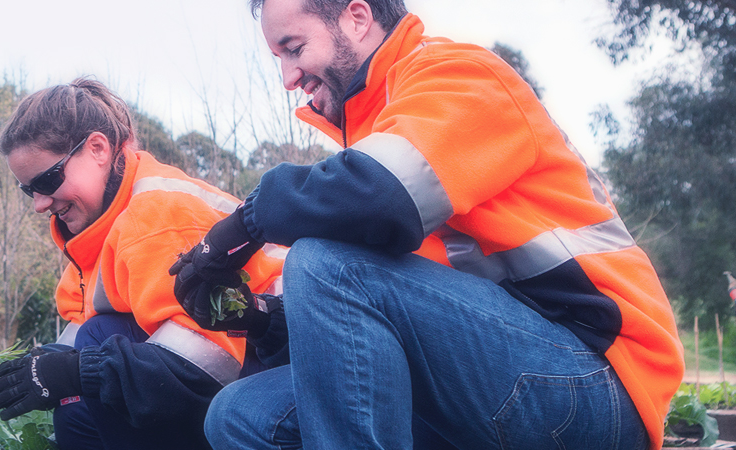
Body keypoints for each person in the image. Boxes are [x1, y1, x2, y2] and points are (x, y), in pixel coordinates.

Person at [174, 0, 683, 448]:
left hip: (595, 379)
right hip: (506, 370)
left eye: (294, 47)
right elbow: (396, 319)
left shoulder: (458, 75)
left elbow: (382, 196)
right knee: (241, 415)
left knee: (327, 264)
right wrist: (264, 317)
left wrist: (243, 224)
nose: (288, 77)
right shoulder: (382, 130)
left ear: (356, 18)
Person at [0, 78, 287, 450]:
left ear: (97, 149)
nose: (39, 204)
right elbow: (68, 348)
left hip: (286, 364)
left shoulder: (153, 217)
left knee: (97, 346)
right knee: (79, 386)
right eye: (29, 189)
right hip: (244, 366)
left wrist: (76, 371)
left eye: (47, 180)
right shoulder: (100, 227)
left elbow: (207, 366)